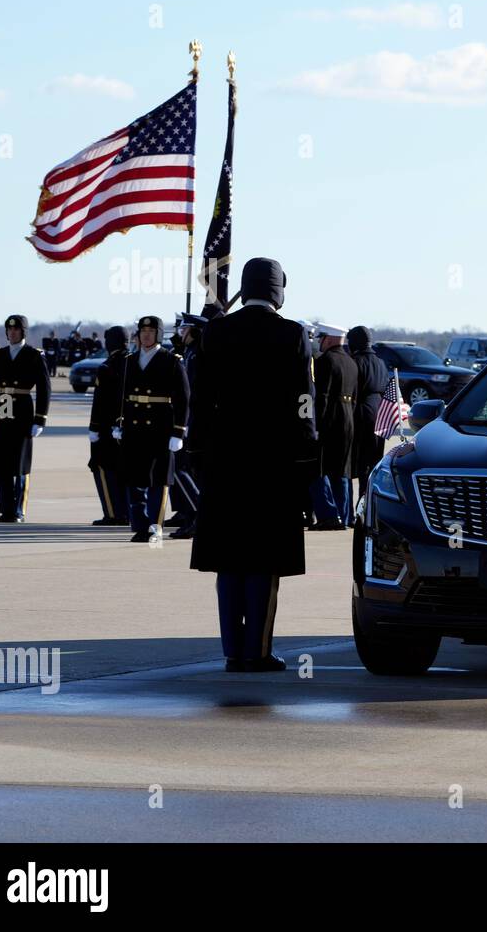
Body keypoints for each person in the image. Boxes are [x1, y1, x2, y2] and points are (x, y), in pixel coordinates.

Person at [190, 257, 318, 672]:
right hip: (272, 464)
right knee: (263, 561)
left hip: (223, 462)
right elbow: (303, 404)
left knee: (229, 561)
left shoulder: (217, 331)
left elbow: (201, 400)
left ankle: (232, 650)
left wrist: (198, 453)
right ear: (279, 289)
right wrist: (305, 461)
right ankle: (257, 650)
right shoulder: (292, 334)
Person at [115, 315, 189, 543]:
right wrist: (117, 422)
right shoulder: (129, 360)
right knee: (134, 479)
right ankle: (139, 524)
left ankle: (154, 526)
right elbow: (120, 396)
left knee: (158, 480)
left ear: (158, 334)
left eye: (151, 331)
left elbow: (183, 397)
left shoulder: (171, 360)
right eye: (143, 331)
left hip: (160, 428)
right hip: (134, 428)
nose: (146, 335)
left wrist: (178, 430)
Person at [0, 315, 50, 522]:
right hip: (2, 409)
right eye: (9, 329)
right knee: (1, 463)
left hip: (22, 410)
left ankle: (18, 510)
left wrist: (40, 419)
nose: (12, 333)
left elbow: (44, 388)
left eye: (16, 330)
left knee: (20, 463)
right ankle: (6, 510)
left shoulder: (34, 355)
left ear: (23, 332)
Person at [310, 323, 358, 530]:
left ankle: (329, 514)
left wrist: (317, 424)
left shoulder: (327, 361)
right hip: (348, 418)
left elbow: (323, 396)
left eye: (321, 339)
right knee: (342, 470)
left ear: (328, 339)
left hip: (330, 420)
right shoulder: (351, 362)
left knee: (319, 468)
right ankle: (344, 516)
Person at [86, 326, 131, 526]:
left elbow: (100, 402)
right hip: (128, 426)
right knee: (125, 470)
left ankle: (113, 513)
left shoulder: (107, 367)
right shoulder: (134, 362)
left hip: (106, 428)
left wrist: (94, 428)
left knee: (102, 467)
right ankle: (127, 511)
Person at [166, 313, 206, 539]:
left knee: (182, 469)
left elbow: (191, 391)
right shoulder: (190, 352)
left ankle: (197, 514)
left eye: (185, 329)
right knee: (183, 469)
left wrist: (186, 423)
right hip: (188, 420)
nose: (181, 332)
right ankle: (191, 515)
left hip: (192, 421)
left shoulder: (198, 355)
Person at [348, 325, 388, 505]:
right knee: (374, 462)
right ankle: (373, 501)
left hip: (362, 412)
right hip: (381, 413)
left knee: (361, 463)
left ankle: (362, 503)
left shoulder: (355, 361)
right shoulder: (380, 362)